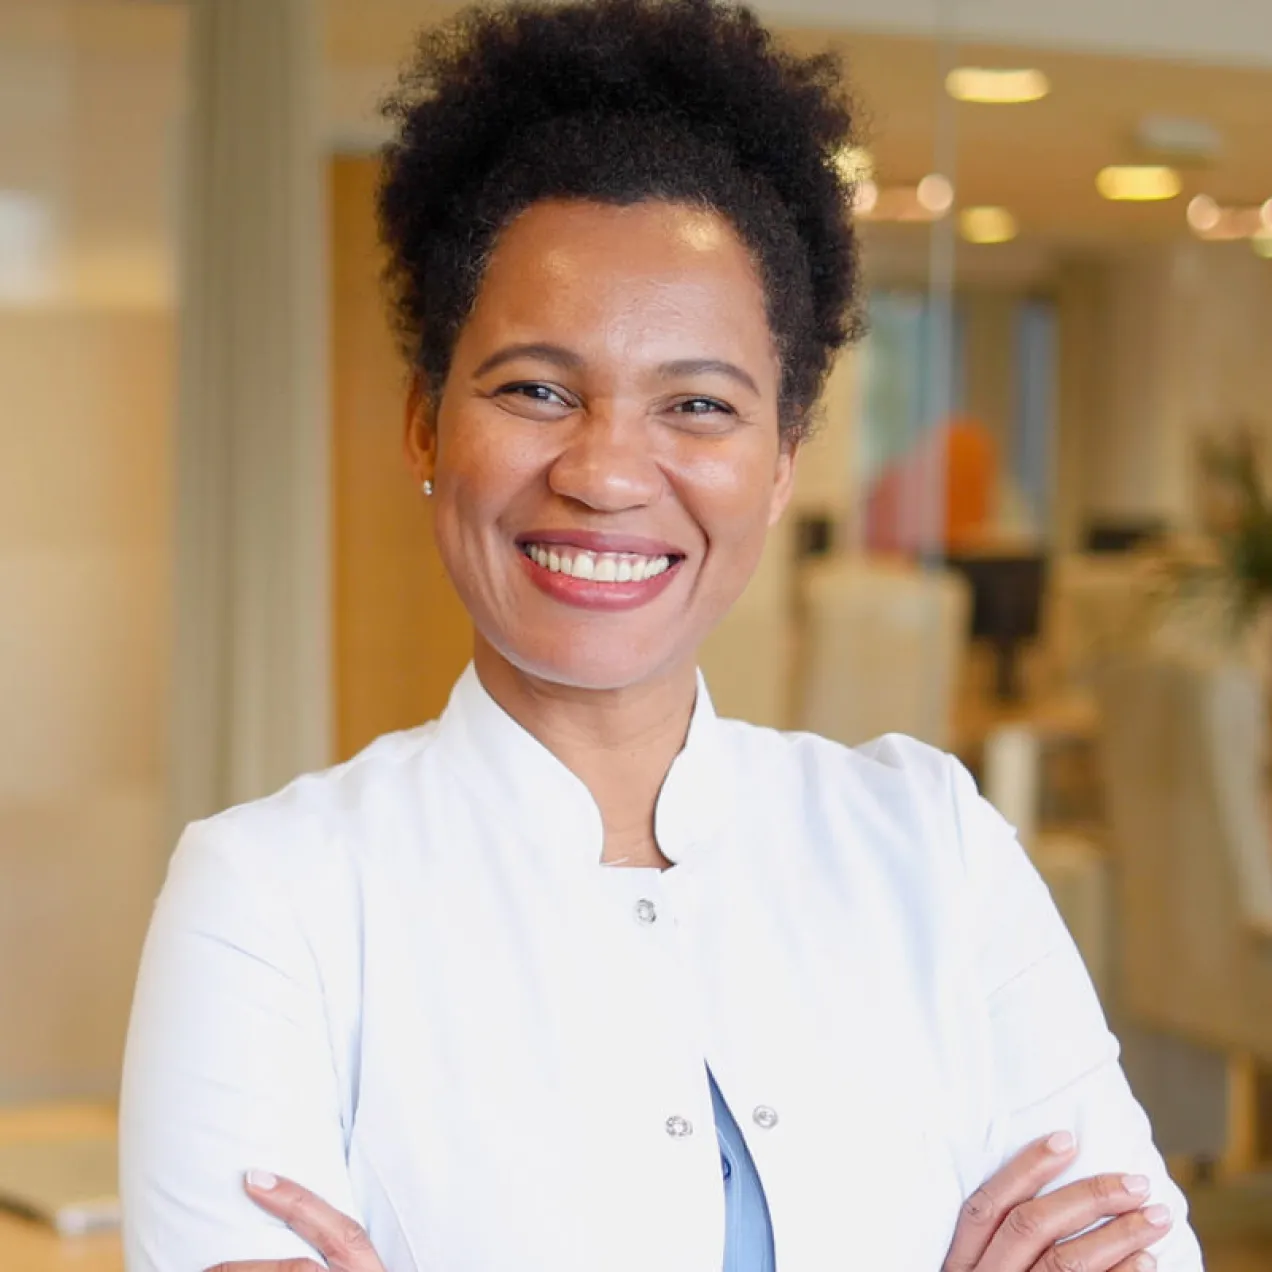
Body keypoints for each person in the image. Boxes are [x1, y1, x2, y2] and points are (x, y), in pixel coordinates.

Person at [119, 2, 1203, 1269]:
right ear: (426, 424)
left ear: (784, 457)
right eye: (536, 388)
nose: (607, 474)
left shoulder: (933, 849)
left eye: (697, 404)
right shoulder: (271, 899)